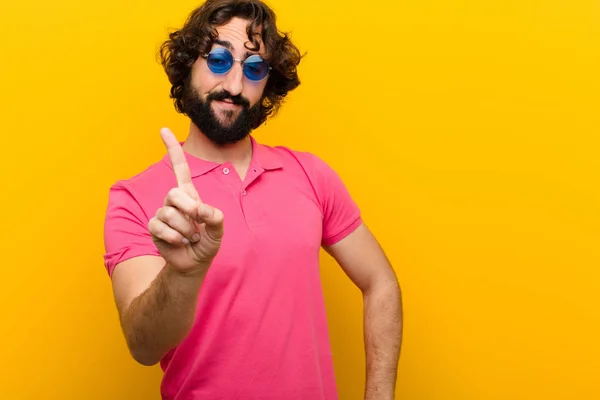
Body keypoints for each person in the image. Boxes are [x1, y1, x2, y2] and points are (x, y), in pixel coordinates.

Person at [102, 0, 403, 399]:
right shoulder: (134, 199)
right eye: (219, 60)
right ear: (188, 64)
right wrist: (184, 274)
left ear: (268, 84)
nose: (235, 86)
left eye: (254, 68)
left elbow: (380, 282)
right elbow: (143, 346)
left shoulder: (310, 176)